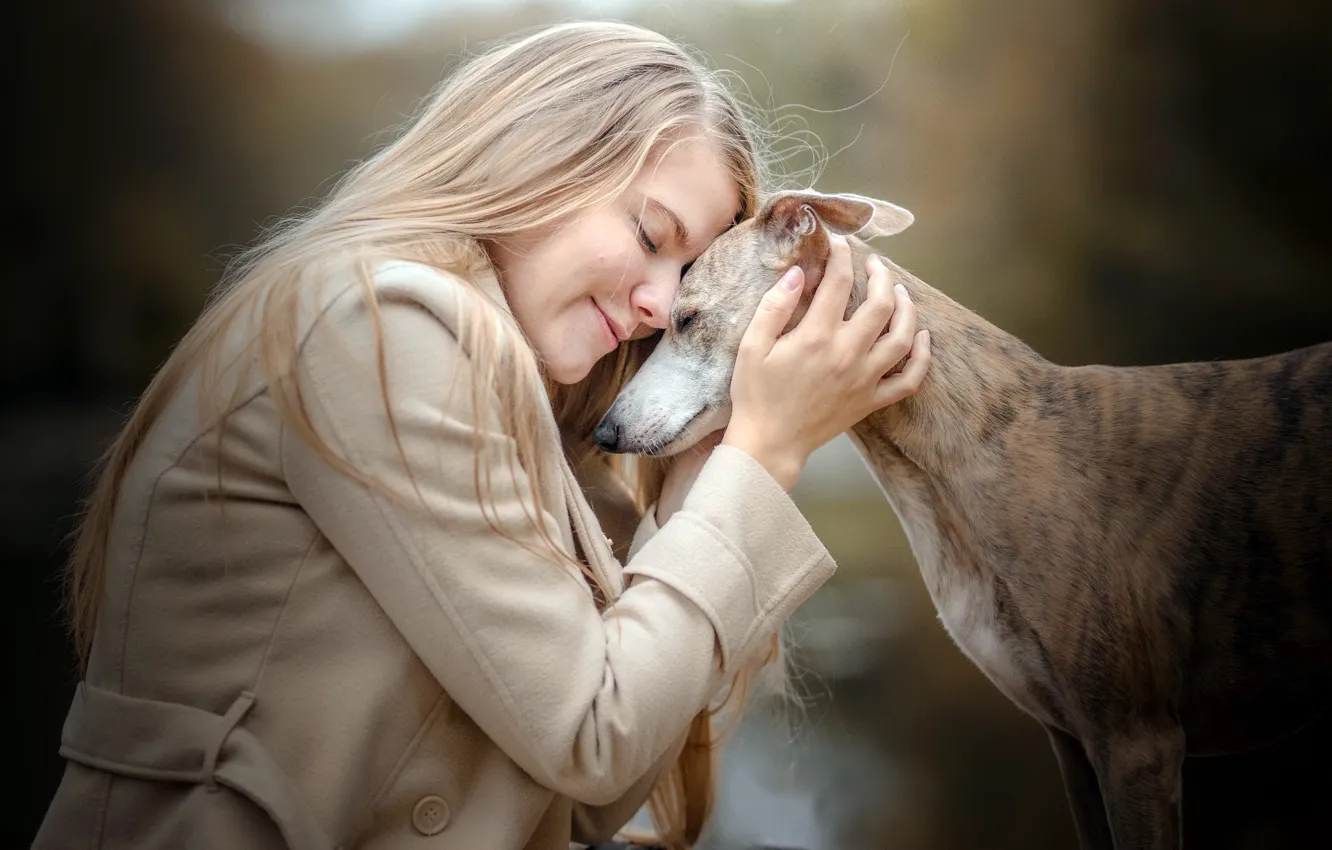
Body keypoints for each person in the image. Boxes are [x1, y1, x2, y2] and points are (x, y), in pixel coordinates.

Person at [35, 20, 931, 850]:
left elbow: (585, 799)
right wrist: (764, 453)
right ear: (538, 161)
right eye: (651, 235)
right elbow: (596, 742)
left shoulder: (531, 403)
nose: (664, 302)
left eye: (687, 273)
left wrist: (707, 468)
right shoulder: (376, 323)